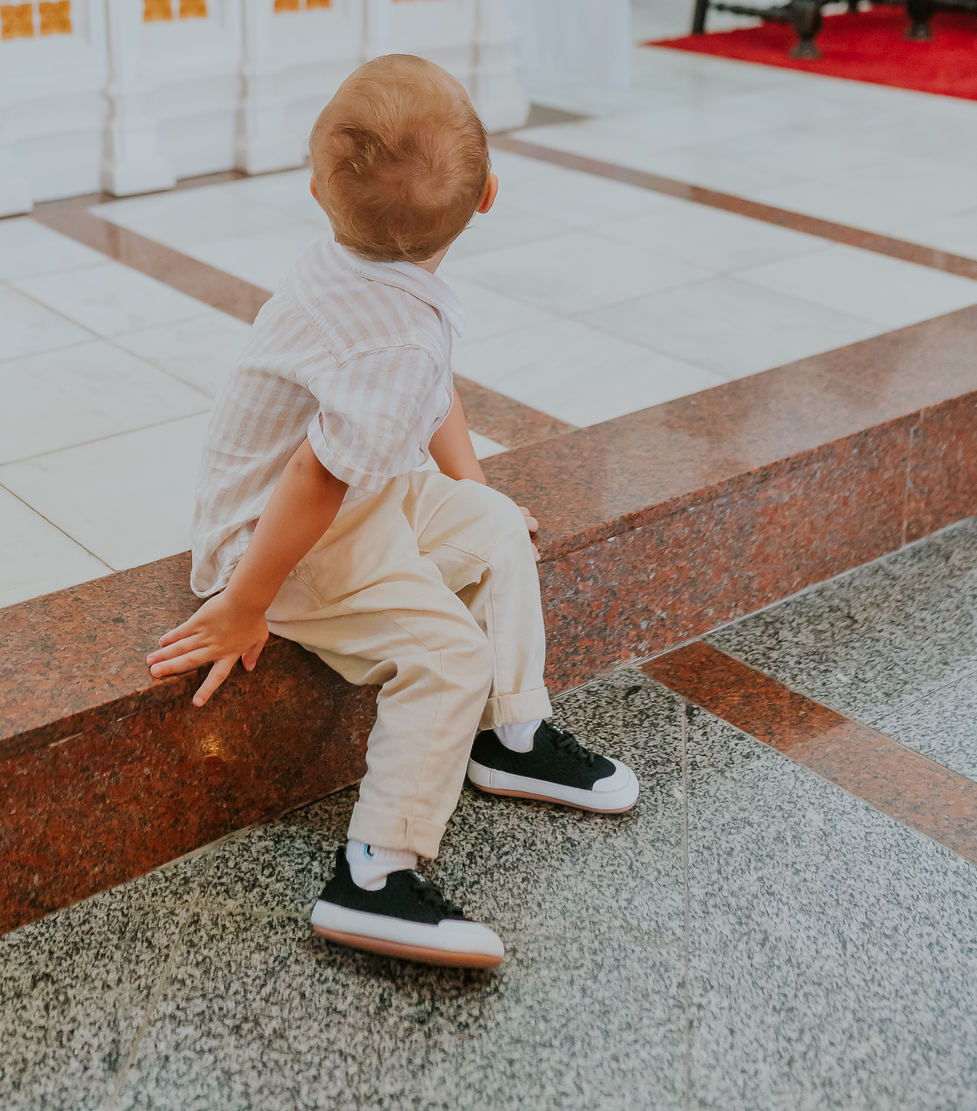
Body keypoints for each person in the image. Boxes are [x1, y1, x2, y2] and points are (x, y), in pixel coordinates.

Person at [147, 55, 639, 969]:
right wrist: (246, 601)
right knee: (449, 653)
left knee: (492, 530)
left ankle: (512, 736)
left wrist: (472, 491)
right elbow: (312, 476)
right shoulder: (394, 339)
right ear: (489, 195)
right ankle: (373, 873)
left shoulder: (370, 279)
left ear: (316, 190)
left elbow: (424, 392)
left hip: (353, 499)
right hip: (288, 542)